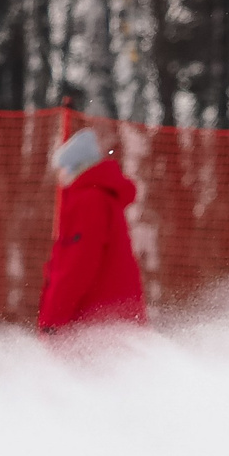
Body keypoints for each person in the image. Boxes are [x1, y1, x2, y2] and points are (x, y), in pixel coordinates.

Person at [37, 128, 147, 332]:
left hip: (95, 321)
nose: (60, 177)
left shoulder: (87, 201)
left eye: (62, 169)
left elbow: (78, 264)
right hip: (112, 319)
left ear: (75, 168)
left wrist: (53, 320)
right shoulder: (101, 197)